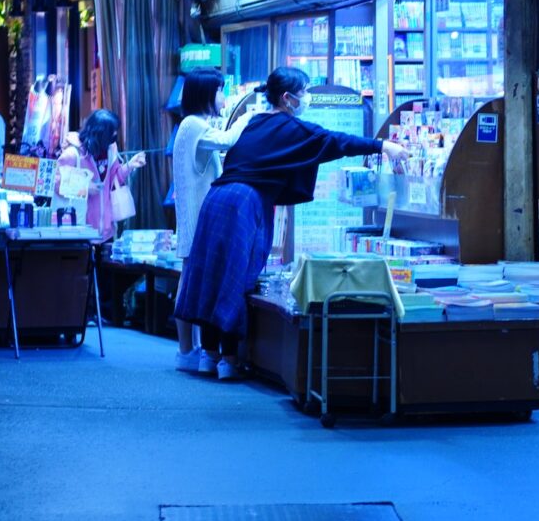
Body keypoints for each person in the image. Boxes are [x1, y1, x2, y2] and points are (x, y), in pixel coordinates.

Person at [174, 67, 407, 380]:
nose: (307, 98)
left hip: (216, 201)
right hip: (245, 203)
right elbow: (334, 140)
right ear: (288, 98)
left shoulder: (255, 122)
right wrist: (382, 146)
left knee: (213, 276)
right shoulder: (289, 127)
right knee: (236, 277)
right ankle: (228, 360)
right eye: (305, 91)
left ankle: (209, 355)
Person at [171, 70, 256, 372]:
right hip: (198, 219)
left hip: (194, 217)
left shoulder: (192, 125)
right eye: (221, 91)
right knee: (190, 285)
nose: (223, 98)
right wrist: (248, 116)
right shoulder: (194, 125)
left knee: (190, 283)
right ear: (208, 93)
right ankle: (185, 351)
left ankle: (192, 350)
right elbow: (227, 141)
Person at [56, 109, 146, 242]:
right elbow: (57, 182)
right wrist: (85, 187)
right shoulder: (72, 154)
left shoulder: (109, 150)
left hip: (107, 232)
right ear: (100, 134)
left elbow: (114, 179)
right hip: (80, 233)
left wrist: (130, 165)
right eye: (111, 132)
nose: (115, 135)